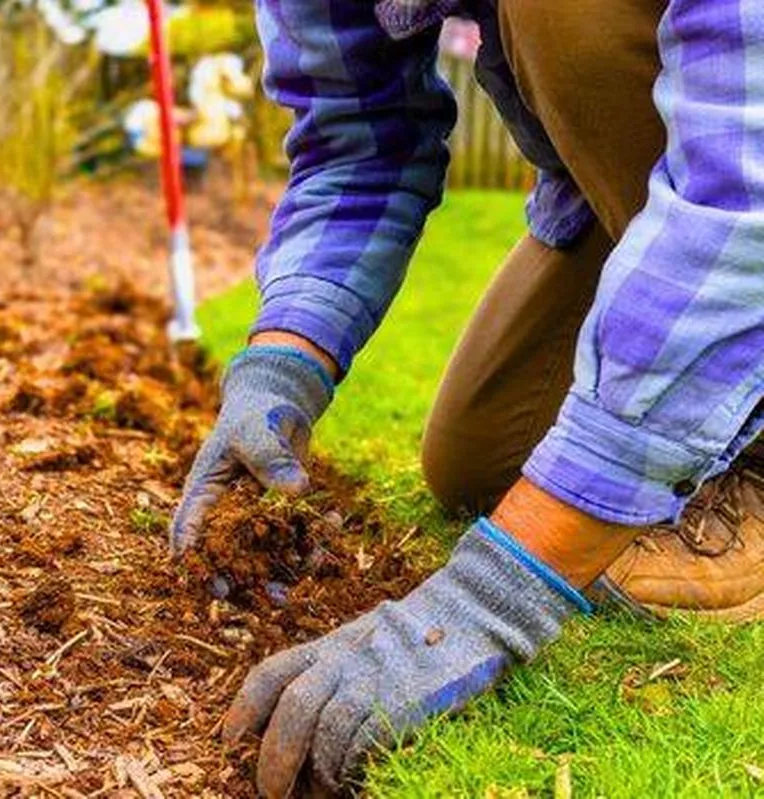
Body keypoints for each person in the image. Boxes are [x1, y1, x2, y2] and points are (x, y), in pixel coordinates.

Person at [169, 0, 764, 796]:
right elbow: (356, 146)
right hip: (641, 198)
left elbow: (744, 201)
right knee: (480, 460)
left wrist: (488, 597)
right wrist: (281, 365)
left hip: (741, 174)